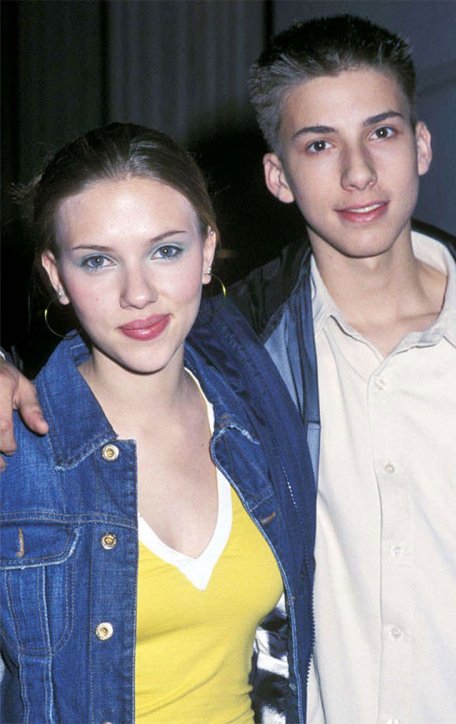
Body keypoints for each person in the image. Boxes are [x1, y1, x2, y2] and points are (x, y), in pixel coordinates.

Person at [1, 13, 456, 724]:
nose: (358, 172)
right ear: (277, 175)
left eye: (382, 132)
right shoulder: (250, 355)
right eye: (319, 144)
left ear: (421, 144)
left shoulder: (241, 378)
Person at [0, 122, 315, 723]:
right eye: (97, 261)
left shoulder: (258, 415)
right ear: (56, 276)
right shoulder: (17, 452)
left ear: (206, 251)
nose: (138, 293)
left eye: (165, 250)